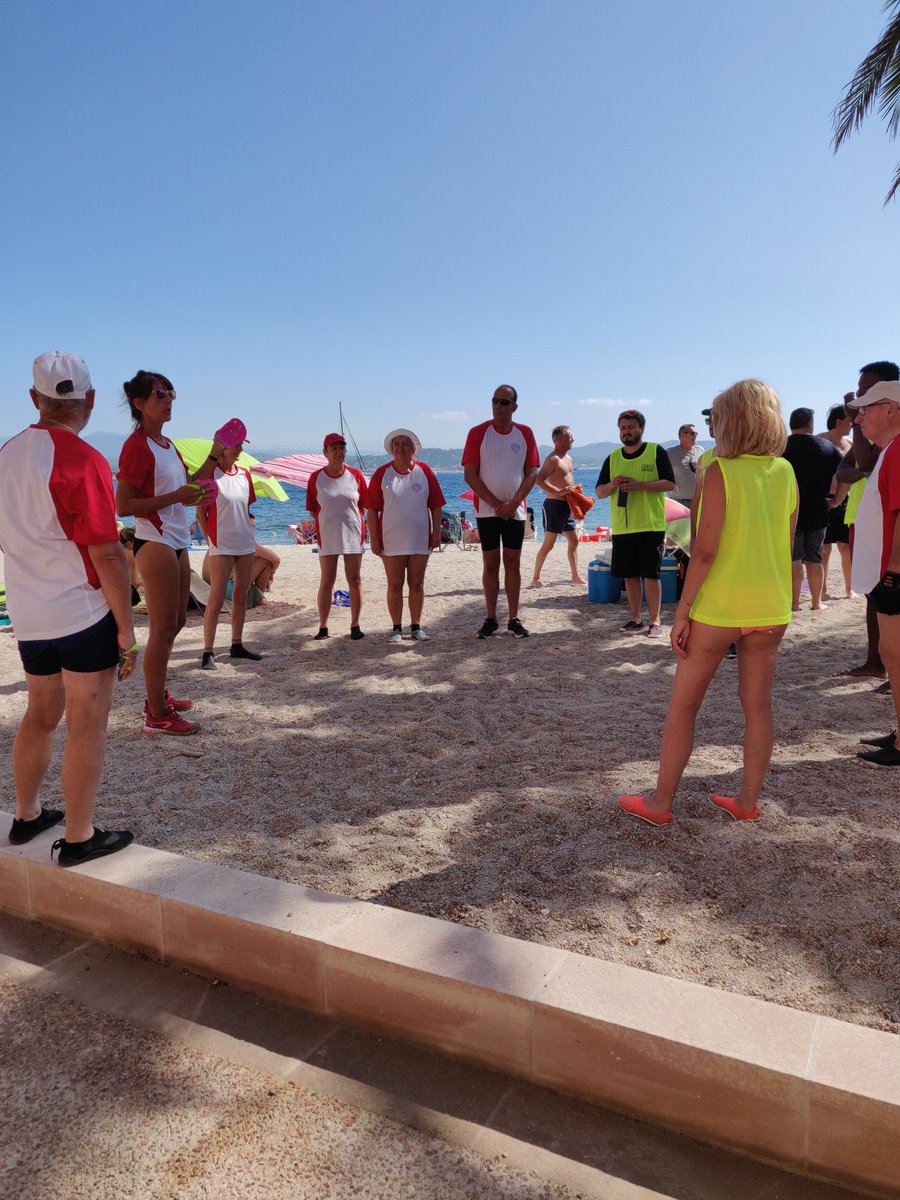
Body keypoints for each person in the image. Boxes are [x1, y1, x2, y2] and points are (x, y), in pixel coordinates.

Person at [619, 379, 798, 825]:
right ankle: (747, 803)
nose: (711, 425)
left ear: (732, 419)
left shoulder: (719, 469)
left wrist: (683, 611)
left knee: (684, 705)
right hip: (771, 605)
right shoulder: (785, 471)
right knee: (758, 705)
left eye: (715, 417)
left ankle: (660, 804)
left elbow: (703, 549)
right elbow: (785, 543)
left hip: (720, 605)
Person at [0, 351, 136, 865]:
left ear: (34, 399)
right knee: (86, 721)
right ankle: (80, 836)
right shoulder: (85, 460)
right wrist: (126, 630)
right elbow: (106, 552)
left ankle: (27, 814)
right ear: (91, 400)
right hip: (81, 612)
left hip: (30, 614)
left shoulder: (6, 454)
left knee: (39, 714)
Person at [116, 370, 222, 735]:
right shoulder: (136, 446)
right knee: (162, 628)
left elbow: (191, 486)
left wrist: (216, 454)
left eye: (171, 393)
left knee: (176, 622)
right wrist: (176, 497)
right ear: (139, 403)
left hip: (177, 540)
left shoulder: (168, 445)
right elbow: (123, 504)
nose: (168, 399)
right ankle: (156, 714)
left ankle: (158, 695)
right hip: (154, 539)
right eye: (160, 394)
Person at [846, 382, 900, 765]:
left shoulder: (898, 452)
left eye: (866, 408)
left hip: (894, 573)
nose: (859, 416)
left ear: (892, 409)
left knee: (895, 655)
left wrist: (894, 573)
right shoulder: (889, 451)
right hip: (887, 572)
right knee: (891, 653)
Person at [836, 361, 900, 677]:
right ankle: (876, 663)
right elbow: (847, 468)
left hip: (890, 539)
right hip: (868, 521)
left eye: (866, 392)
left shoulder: (891, 442)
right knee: (876, 600)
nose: (858, 397)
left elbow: (861, 459)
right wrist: (865, 471)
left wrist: (853, 416)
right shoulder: (882, 443)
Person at [462, 385, 540, 638]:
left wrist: (514, 502)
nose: (498, 406)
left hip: (515, 512)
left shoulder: (525, 433)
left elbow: (531, 473)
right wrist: (496, 504)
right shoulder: (478, 433)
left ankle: (514, 618)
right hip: (487, 512)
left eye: (504, 402)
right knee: (491, 563)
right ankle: (491, 617)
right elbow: (470, 474)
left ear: (514, 407)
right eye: (495, 401)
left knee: (513, 564)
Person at [595, 409, 675, 637]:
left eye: (630, 427)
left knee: (651, 574)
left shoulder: (655, 451)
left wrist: (640, 485)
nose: (626, 432)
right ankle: (636, 618)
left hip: (650, 525)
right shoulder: (613, 457)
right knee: (629, 575)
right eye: (622, 428)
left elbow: (670, 484)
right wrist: (613, 484)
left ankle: (656, 621)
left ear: (641, 428)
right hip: (623, 527)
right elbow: (600, 492)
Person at [366, 428, 446, 641]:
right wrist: (373, 538)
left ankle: (416, 626)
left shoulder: (425, 471)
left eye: (405, 444)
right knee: (394, 583)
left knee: (417, 583)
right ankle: (396, 628)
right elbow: (372, 509)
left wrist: (436, 532)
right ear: (391, 449)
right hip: (391, 538)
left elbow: (436, 504)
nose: (401, 448)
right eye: (397, 444)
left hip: (420, 537)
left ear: (413, 449)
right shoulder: (383, 473)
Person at [195, 439, 263, 669]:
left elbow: (246, 508)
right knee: (215, 599)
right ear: (223, 449)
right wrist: (209, 541)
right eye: (236, 445)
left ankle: (236, 644)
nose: (240, 450)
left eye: (241, 446)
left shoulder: (244, 474)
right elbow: (200, 514)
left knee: (240, 596)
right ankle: (208, 651)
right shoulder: (211, 475)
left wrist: (250, 529)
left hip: (244, 543)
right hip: (221, 545)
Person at [306, 433, 367, 640]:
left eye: (341, 448)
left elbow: (363, 506)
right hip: (328, 534)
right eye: (333, 449)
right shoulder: (316, 477)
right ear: (325, 452)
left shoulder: (356, 475)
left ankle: (355, 625)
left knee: (355, 579)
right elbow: (313, 509)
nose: (338, 452)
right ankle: (323, 627)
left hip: (353, 533)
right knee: (327, 580)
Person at [782, 407, 842, 612]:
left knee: (794, 558)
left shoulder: (781, 446)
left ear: (791, 424)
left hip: (789, 509)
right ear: (810, 424)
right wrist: (836, 500)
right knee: (814, 557)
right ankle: (816, 603)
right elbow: (845, 476)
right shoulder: (827, 446)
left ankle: (795, 604)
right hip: (818, 508)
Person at [530, 425, 585, 587]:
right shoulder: (553, 459)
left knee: (574, 541)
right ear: (560, 439)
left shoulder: (569, 458)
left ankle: (575, 576)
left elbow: (567, 481)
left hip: (567, 506)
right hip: (553, 505)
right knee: (549, 544)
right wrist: (559, 491)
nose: (573, 439)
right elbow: (539, 480)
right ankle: (535, 578)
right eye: (570, 437)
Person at [820, 404, 855, 600]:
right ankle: (823, 590)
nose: (851, 424)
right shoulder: (820, 441)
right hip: (824, 499)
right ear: (839, 421)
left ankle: (849, 589)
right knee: (825, 549)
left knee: (846, 546)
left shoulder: (849, 443)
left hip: (844, 500)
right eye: (849, 420)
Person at [666, 423, 702, 506]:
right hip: (678, 501)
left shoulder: (700, 450)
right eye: (692, 433)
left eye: (696, 434)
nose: (695, 436)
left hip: (698, 499)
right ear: (682, 435)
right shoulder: (670, 453)